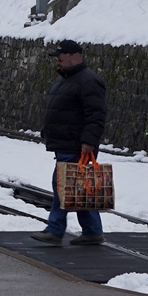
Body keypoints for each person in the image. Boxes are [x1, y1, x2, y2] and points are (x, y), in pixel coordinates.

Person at [30, 39, 107, 246]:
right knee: (76, 186)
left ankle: (55, 229)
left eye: (61, 58)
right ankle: (92, 231)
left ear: (74, 59)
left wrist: (89, 141)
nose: (58, 62)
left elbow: (96, 115)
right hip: (66, 142)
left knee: (62, 185)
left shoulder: (88, 81)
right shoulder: (69, 79)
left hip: (75, 144)